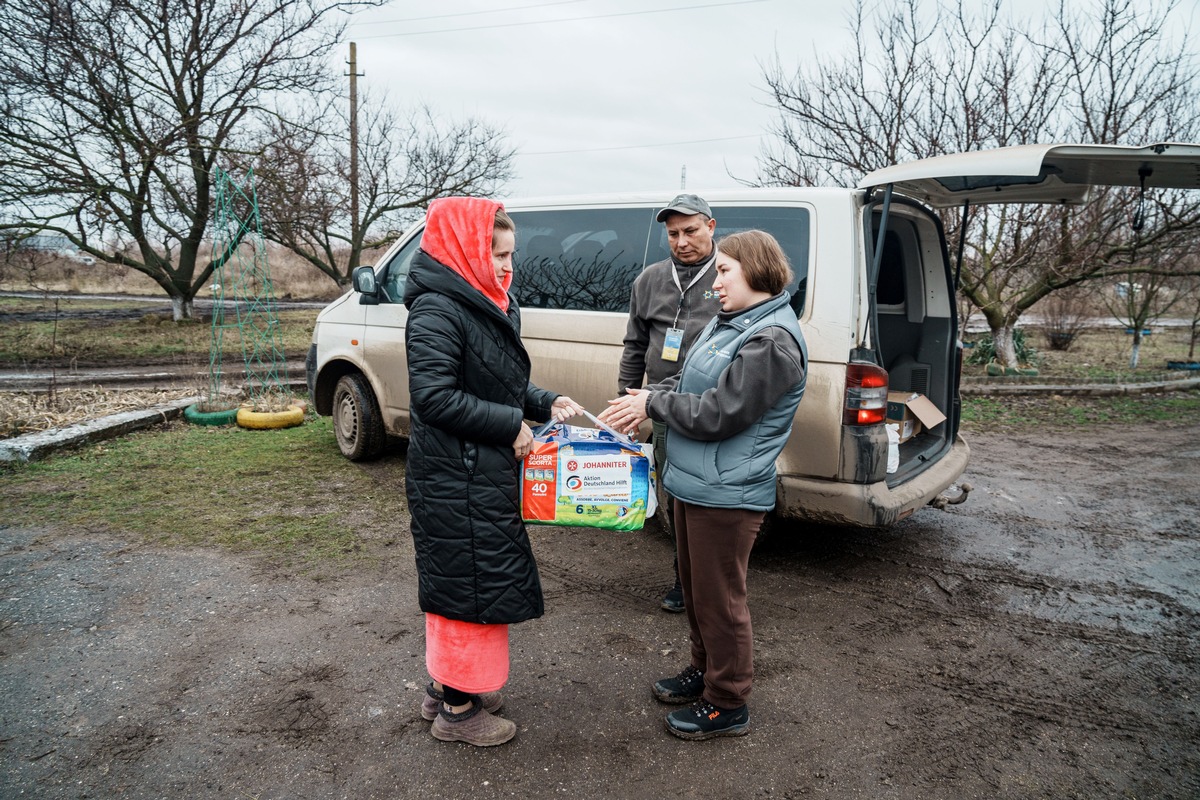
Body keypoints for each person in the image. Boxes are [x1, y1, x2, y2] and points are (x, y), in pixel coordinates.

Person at [599, 230, 807, 741]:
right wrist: (644, 396)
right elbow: (693, 380)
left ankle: (728, 700)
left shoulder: (771, 341)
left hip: (728, 493)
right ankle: (705, 671)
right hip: (695, 482)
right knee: (696, 593)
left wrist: (652, 407)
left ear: (756, 272)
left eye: (724, 271)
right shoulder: (730, 322)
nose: (714, 281)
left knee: (721, 601)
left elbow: (720, 412)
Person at [403, 196, 583, 747]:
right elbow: (434, 397)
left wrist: (544, 402)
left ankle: (447, 687)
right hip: (452, 477)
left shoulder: (486, 300)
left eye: (511, 255)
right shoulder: (438, 309)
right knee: (468, 588)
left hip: (475, 473)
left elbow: (494, 381)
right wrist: (509, 425)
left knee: (471, 580)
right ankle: (458, 712)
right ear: (463, 251)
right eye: (497, 254)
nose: (508, 266)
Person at [617, 193, 723, 613]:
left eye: (691, 231)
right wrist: (627, 403)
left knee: (711, 498)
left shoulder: (730, 273)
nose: (682, 241)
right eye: (673, 233)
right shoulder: (649, 280)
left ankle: (714, 582)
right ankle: (684, 579)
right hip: (661, 405)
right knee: (673, 496)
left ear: (711, 227)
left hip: (713, 405)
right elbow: (634, 345)